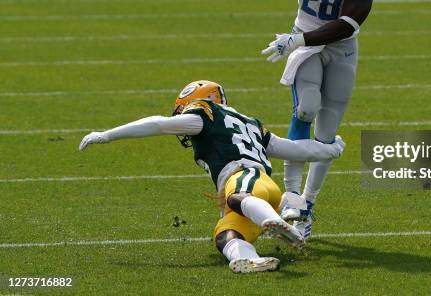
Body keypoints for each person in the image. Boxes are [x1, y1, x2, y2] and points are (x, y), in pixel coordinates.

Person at [79, 80, 345, 273]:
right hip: (265, 191)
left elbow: (159, 124)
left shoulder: (203, 114)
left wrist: (107, 134)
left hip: (246, 180)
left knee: (235, 197)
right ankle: (249, 259)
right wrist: (330, 150)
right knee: (225, 235)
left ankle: (277, 221)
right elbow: (294, 148)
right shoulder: (251, 123)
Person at [251, 0, 389, 239]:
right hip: (304, 40)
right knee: (306, 108)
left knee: (326, 134)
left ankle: (307, 207)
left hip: (340, 47)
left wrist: (296, 41)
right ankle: (291, 200)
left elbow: (348, 23)